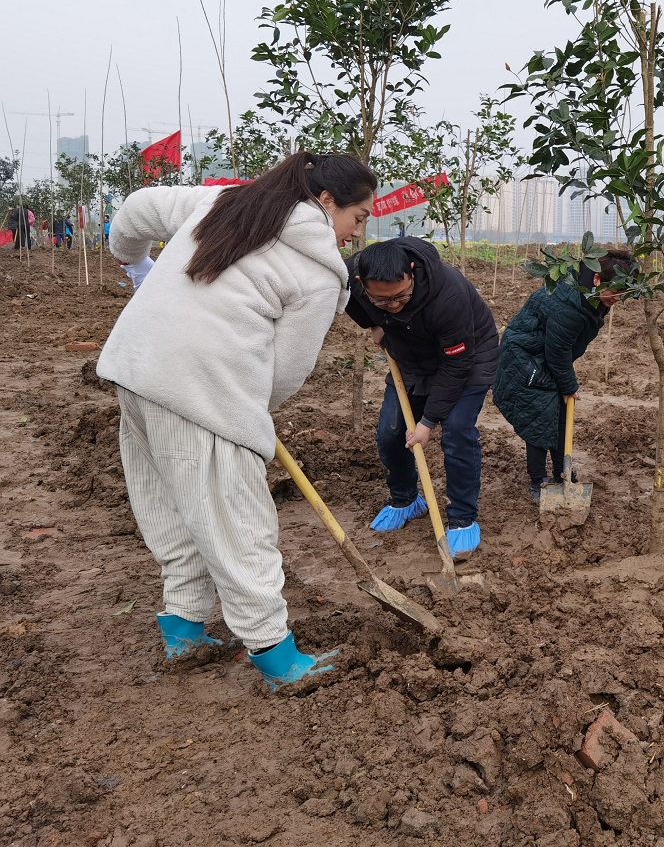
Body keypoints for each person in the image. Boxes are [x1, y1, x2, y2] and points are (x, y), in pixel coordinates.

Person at [97, 152, 375, 688]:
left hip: (134, 370)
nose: (356, 234)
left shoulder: (224, 201)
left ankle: (183, 629)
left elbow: (133, 210)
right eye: (357, 218)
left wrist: (134, 263)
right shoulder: (318, 273)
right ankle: (277, 657)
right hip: (201, 389)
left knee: (174, 508)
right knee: (237, 523)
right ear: (325, 201)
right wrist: (239, 415)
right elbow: (284, 375)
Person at [345, 237, 499, 556]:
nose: (396, 305)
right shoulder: (351, 277)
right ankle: (406, 499)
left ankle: (462, 518)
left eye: (402, 296)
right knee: (390, 434)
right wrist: (374, 323)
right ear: (363, 284)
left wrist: (428, 422)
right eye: (383, 301)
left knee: (456, 432)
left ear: (412, 272)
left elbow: (456, 364)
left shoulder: (448, 294)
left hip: (467, 358)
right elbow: (347, 299)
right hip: (411, 355)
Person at [493, 249, 634, 500]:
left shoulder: (592, 293)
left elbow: (561, 348)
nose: (618, 299)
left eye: (623, 294)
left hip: (544, 354)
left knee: (560, 416)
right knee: (539, 417)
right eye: (615, 292)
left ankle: (562, 474)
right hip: (525, 358)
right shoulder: (570, 307)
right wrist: (569, 386)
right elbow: (557, 353)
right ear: (597, 280)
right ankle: (538, 481)